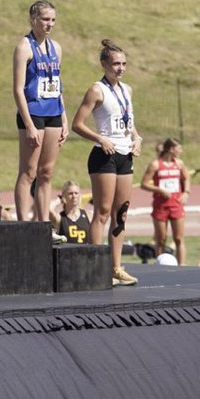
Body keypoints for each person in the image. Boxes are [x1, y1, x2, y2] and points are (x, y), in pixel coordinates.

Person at [70, 39, 143, 286]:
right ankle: (96, 267)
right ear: (104, 64)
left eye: (123, 64)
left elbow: (128, 122)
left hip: (125, 155)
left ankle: (116, 267)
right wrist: (101, 139)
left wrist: (136, 138)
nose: (120, 68)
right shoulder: (97, 90)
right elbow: (77, 124)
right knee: (102, 212)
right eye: (115, 64)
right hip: (104, 156)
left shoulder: (127, 90)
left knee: (121, 214)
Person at [13, 0, 67, 224]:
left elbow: (57, 85)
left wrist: (64, 118)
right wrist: (29, 125)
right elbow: (18, 89)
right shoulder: (24, 47)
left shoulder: (56, 48)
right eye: (45, 19)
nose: (50, 24)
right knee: (29, 172)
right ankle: (23, 224)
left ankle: (44, 223)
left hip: (53, 113)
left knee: (46, 172)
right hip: (33, 113)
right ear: (33, 19)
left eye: (53, 20)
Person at [140, 138, 190, 265]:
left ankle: (182, 266)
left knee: (179, 238)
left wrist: (186, 192)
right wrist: (159, 190)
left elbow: (186, 178)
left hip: (176, 205)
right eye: (179, 148)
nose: (181, 151)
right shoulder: (156, 165)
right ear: (171, 149)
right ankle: (159, 265)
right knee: (161, 239)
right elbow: (144, 184)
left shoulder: (179, 163)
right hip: (161, 207)